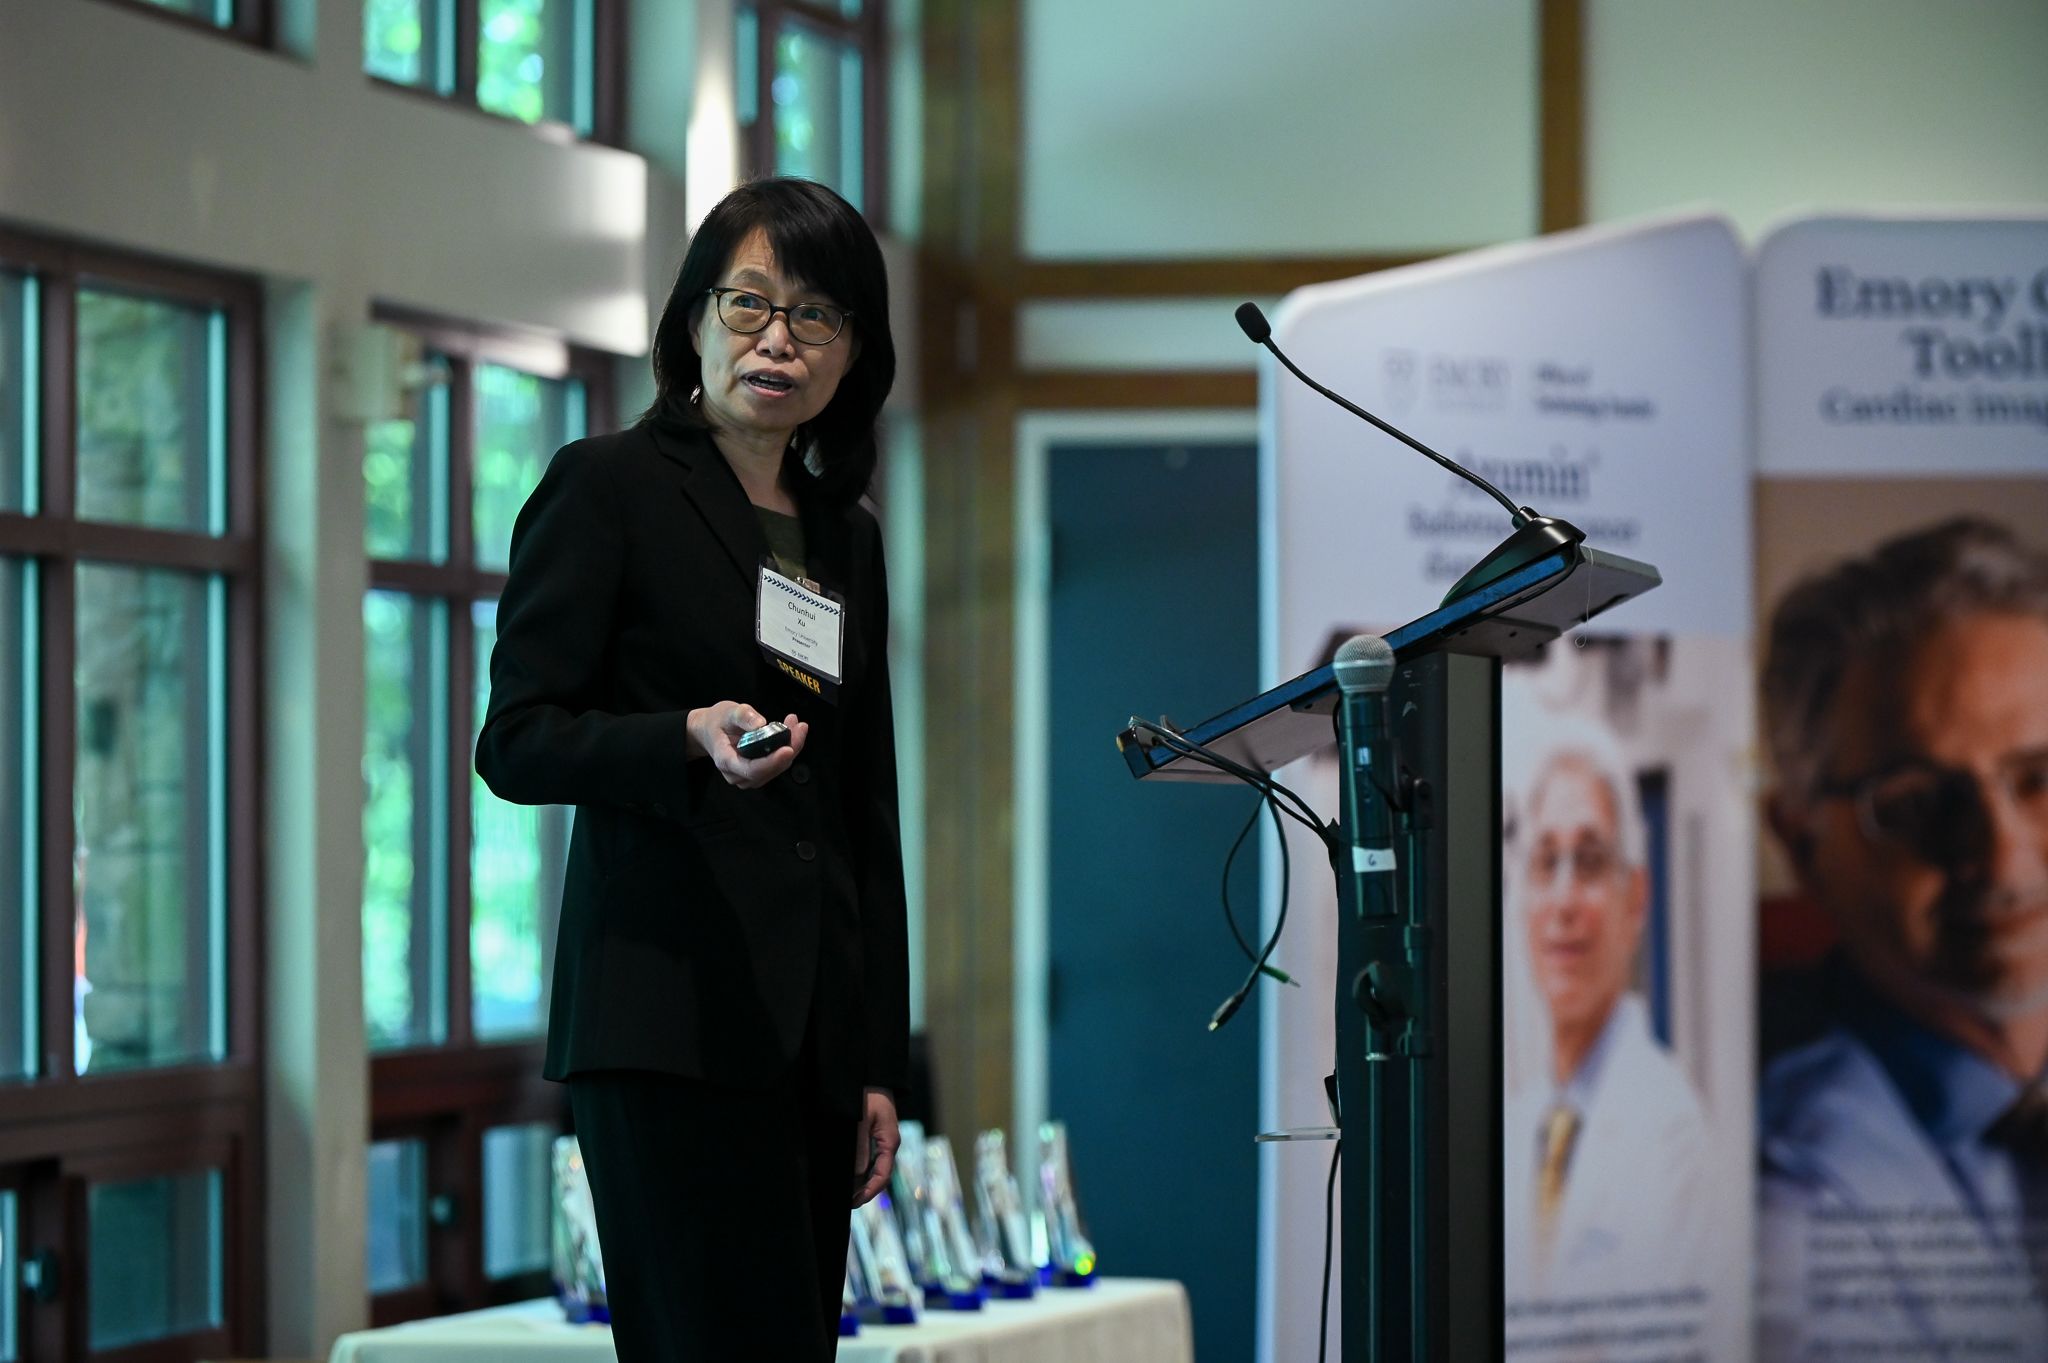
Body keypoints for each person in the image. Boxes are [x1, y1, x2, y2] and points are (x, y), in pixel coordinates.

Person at [475, 176, 908, 1362]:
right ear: (694, 319)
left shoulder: (842, 533)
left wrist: (877, 1060)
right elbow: (513, 740)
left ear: (852, 349)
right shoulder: (607, 485)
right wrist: (680, 737)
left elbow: (865, 809)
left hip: (807, 1040)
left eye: (816, 315)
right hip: (665, 1019)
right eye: (750, 303)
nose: (778, 338)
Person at [1758, 517, 2048, 1361]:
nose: (2000, 853)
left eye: (2038, 779)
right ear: (1803, 840)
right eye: (1917, 799)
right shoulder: (1778, 1186)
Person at [1502, 721, 1712, 1305]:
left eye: (1590, 861)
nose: (1563, 902)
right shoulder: (1517, 1126)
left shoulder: (1675, 1136)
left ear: (1635, 898)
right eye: (1546, 863)